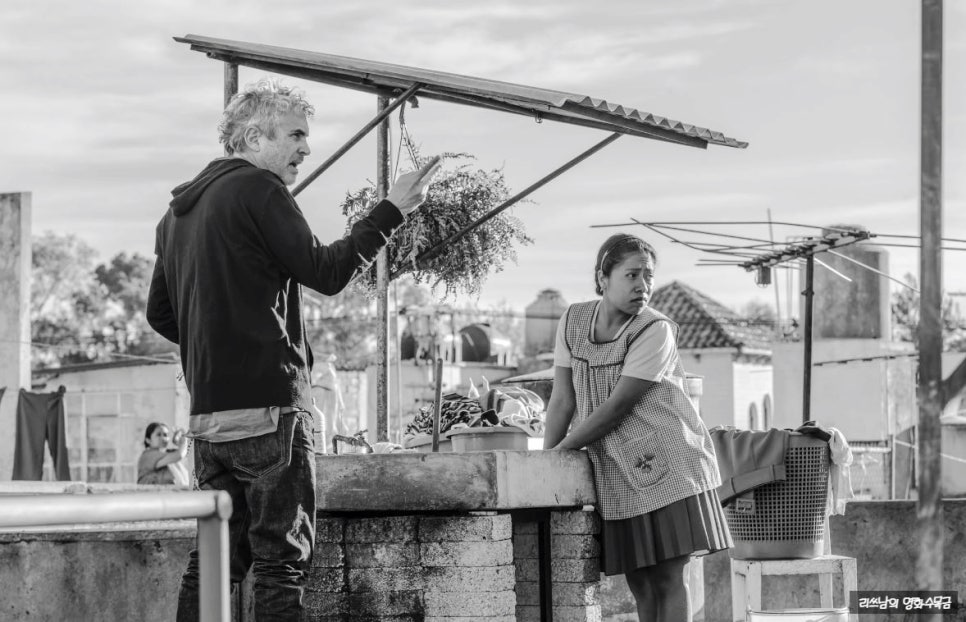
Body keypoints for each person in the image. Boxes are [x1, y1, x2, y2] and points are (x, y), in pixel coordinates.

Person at [146, 77, 440, 621]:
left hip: (209, 422)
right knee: (282, 564)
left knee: (213, 565)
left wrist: (218, 347)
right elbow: (326, 272)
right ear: (254, 138)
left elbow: (159, 315)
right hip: (270, 413)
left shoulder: (175, 215)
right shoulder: (259, 190)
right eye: (297, 135)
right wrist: (392, 209)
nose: (306, 148)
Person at [543, 233, 731, 622]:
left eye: (648, 276)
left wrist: (563, 451)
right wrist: (547, 463)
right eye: (631, 275)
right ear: (603, 277)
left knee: (666, 578)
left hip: (669, 466)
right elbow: (563, 400)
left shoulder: (654, 330)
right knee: (640, 584)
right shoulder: (572, 321)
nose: (642, 286)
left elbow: (617, 407)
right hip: (617, 471)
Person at [136, 422, 190, 486]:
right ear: (148, 440)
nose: (163, 438)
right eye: (158, 435)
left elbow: (186, 453)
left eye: (165, 435)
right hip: (151, 494)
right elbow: (179, 455)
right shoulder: (147, 456)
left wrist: (178, 443)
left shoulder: (167, 453)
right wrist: (183, 441)